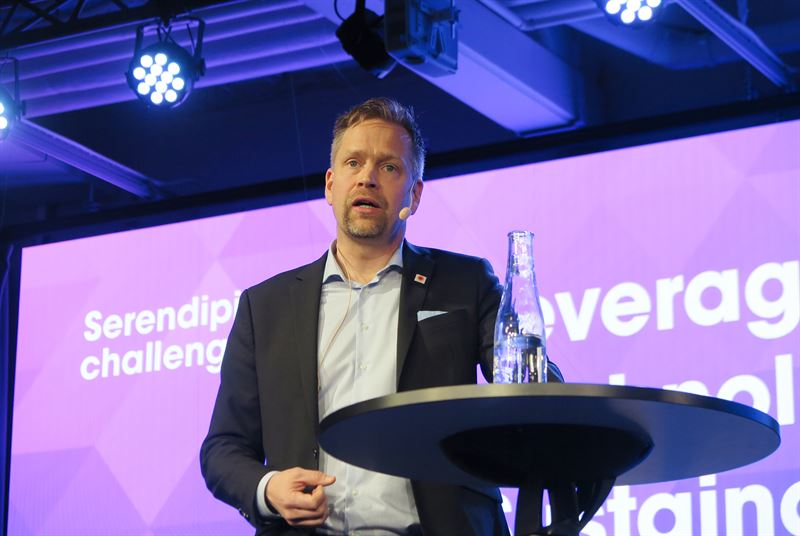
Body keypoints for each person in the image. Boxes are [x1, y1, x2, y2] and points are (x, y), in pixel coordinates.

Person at [200, 97, 561, 535]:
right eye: (353, 163)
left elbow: (531, 386)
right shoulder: (266, 307)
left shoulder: (465, 282)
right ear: (330, 184)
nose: (367, 178)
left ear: (415, 194)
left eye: (389, 167)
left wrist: (536, 371)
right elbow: (223, 448)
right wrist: (268, 488)